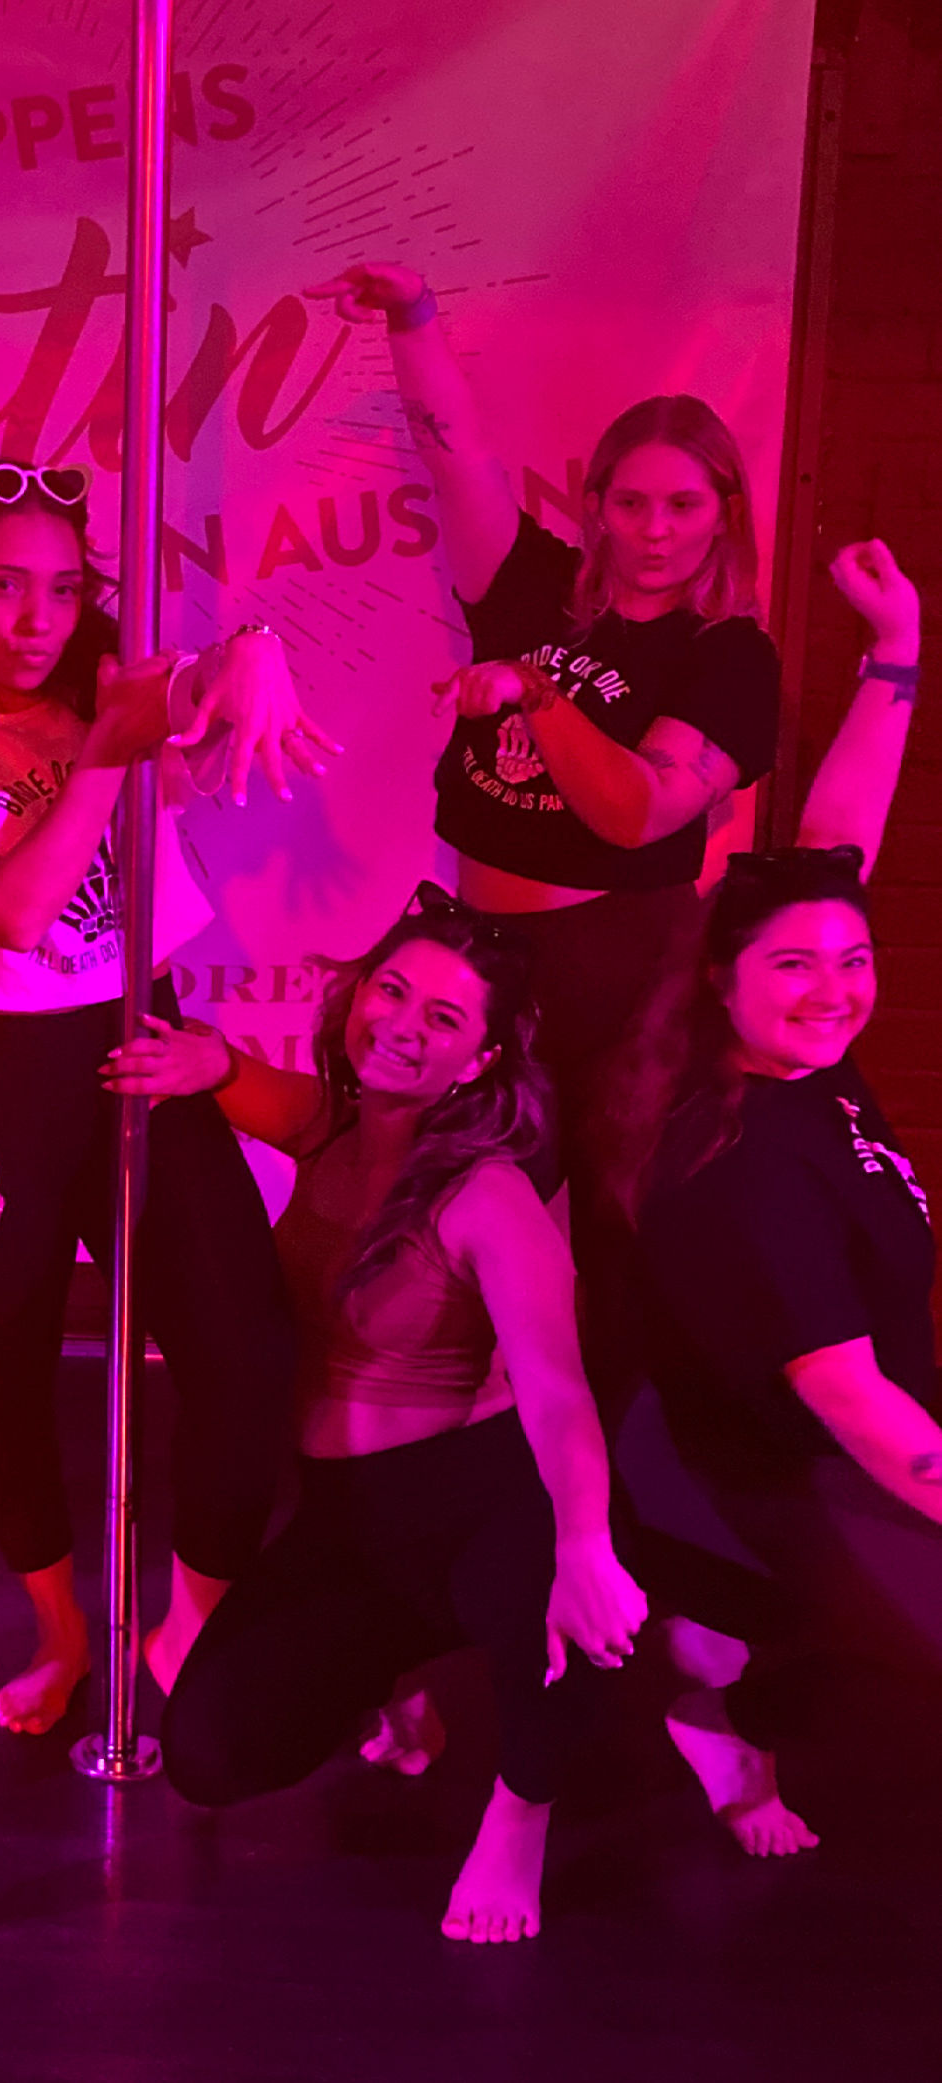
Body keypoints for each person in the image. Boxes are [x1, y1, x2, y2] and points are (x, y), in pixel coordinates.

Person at [110, 895, 648, 1943]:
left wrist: (584, 1541)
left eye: (443, 1019)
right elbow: (244, 1084)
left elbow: (555, 1389)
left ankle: (518, 1816)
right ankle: (396, 1677)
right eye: (392, 989)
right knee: (209, 1754)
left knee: (572, 1630)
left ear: (483, 1057)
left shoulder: (487, 1193)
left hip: (478, 1500)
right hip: (347, 1518)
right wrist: (203, 1066)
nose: (402, 1022)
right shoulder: (335, 1128)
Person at [306, 263, 781, 1395]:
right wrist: (411, 316)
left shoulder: (725, 656)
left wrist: (532, 695)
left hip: (624, 966)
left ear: (723, 513)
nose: (653, 532)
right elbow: (451, 447)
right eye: (629, 501)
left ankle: (602, 1512)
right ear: (593, 502)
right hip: (486, 953)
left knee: (614, 1242)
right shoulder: (527, 585)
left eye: (682, 505)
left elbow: (635, 811)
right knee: (426, 1211)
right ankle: (406, 1448)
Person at [0, 460, 330, 1735]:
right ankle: (60, 1634)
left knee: (245, 1348)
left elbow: (213, 683)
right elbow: (13, 908)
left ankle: (186, 1617)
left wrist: (252, 646)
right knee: (8, 1367)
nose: (38, 619)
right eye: (3, 587)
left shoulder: (109, 697)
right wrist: (106, 746)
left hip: (138, 1040)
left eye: (62, 589)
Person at [629, 540, 940, 1858]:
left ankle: (724, 1637)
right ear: (720, 978)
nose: (834, 982)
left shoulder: (803, 1049)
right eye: (796, 963)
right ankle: (708, 1682)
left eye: (851, 957)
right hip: (751, 1471)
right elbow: (858, 1410)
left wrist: (893, 651)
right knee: (898, 1652)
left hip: (838, 1434)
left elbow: (835, 844)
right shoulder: (745, 1159)